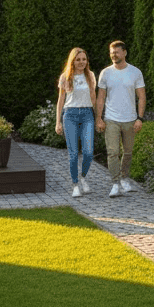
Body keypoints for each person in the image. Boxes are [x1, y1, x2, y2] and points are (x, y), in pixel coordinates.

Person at [95, 40, 145, 197]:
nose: (113, 55)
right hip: (111, 119)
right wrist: (99, 118)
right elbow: (100, 98)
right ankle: (115, 183)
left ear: (124, 52)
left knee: (128, 152)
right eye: (111, 52)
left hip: (130, 119)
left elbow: (142, 97)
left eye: (116, 52)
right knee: (112, 152)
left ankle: (124, 179)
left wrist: (140, 118)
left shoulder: (135, 72)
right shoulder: (105, 73)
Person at [55, 47, 96, 198]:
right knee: (73, 154)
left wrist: (98, 118)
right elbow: (60, 100)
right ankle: (75, 185)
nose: (81, 62)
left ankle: (83, 177)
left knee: (88, 151)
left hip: (87, 114)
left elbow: (93, 96)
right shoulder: (65, 77)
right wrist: (58, 122)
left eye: (84, 59)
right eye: (78, 59)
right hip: (70, 115)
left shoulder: (90, 75)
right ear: (73, 61)